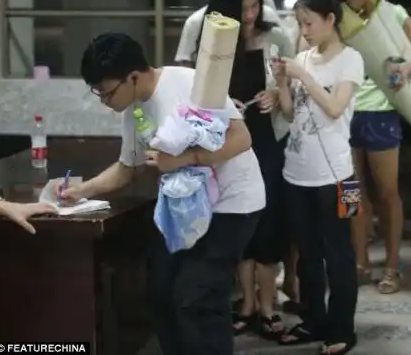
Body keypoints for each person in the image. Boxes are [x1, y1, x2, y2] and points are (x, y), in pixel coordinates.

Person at [60, 33, 265, 355]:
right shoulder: (134, 110)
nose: (104, 101)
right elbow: (128, 168)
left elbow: (241, 138)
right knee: (160, 290)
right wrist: (81, 190)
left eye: (106, 92)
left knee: (196, 296)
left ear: (133, 76)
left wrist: (186, 159)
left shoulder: (191, 84)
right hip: (185, 208)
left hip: (232, 204)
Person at [198, 0, 295, 338]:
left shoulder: (276, 36)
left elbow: (291, 96)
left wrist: (276, 91)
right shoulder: (215, 41)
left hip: (267, 141)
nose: (251, 15)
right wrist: (224, 106)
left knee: (269, 221)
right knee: (237, 219)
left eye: (255, 6)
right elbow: (200, 99)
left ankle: (268, 306)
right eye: (243, 9)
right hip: (229, 143)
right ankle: (247, 303)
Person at [274, 0, 363, 354]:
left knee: (340, 254)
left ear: (330, 19)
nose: (303, 31)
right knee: (307, 254)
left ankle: (342, 329)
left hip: (340, 176)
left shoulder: (351, 59)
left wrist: (302, 75)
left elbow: (334, 108)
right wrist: (281, 84)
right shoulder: (304, 57)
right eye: (299, 23)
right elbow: (293, 113)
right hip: (296, 172)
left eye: (309, 23)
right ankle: (314, 321)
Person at [338, 0, 411, 295]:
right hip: (346, 114)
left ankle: (392, 266)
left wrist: (408, 71)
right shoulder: (343, 18)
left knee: (387, 193)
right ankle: (360, 261)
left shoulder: (394, 13)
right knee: (351, 192)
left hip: (381, 113)